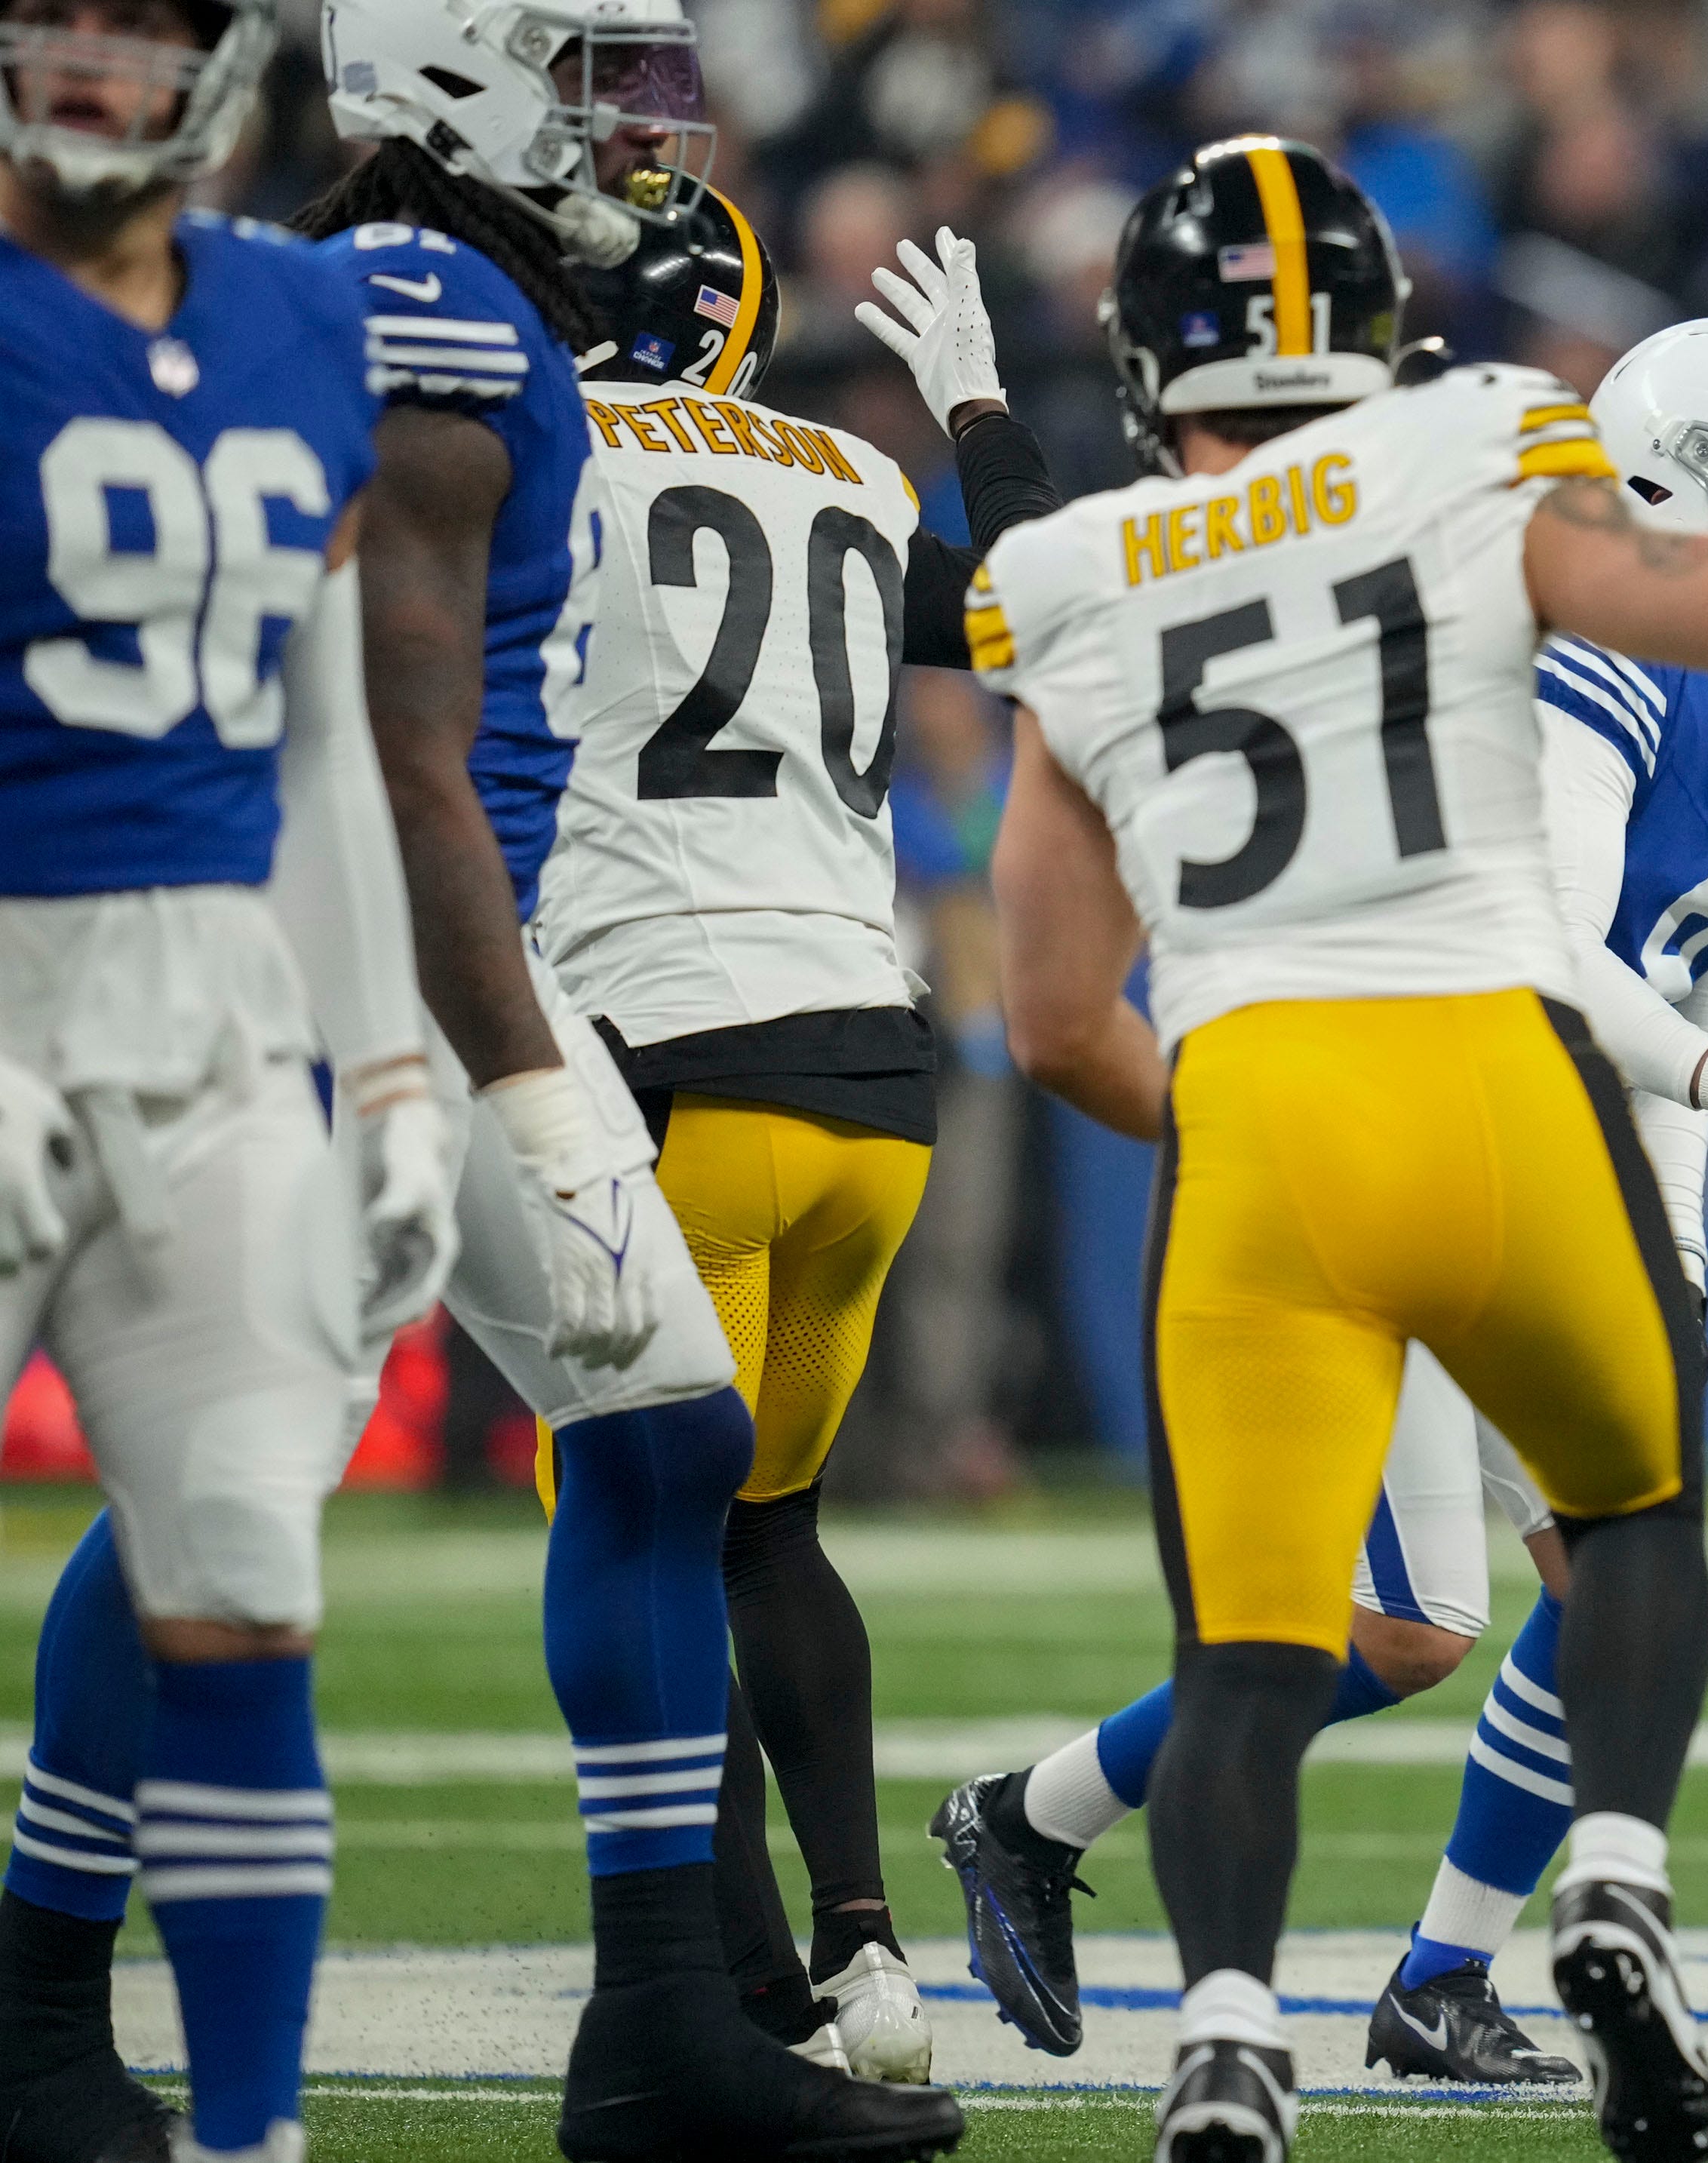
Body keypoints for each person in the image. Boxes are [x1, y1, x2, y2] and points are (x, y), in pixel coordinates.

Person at [966, 132, 1708, 2162]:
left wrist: (1241, 1106)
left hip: (1286, 1108)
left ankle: (1288, 2012)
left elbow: (1057, 1013)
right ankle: (1571, 1884)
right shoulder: (1485, 462)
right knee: (1567, 1557)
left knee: (1312, 1627)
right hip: (1515, 1089)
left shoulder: (1065, 579)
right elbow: (1557, 916)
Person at [5, 8, 966, 2159]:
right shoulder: (425, 311)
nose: (647, 124)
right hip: (347, 965)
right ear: (452, 79)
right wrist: (525, 1078)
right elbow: (412, 752)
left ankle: (659, 2030)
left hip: (408, 952)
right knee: (238, 1477)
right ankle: (46, 2008)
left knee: (658, 1431)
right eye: (594, 74)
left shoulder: (413, 300)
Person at [0, 4, 456, 2158]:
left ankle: (249, 2138)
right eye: (49, 22)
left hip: (206, 1003)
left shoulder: (296, 310)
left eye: (132, 26)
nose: (87, 64)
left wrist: (389, 1065)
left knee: (248, 1569)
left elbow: (311, 737)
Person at [542, 188, 1059, 2081]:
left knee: (634, 1545)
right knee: (772, 1533)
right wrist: (981, 409)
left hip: (669, 1061)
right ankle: (865, 1959)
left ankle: (744, 2007)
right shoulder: (846, 465)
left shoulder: (532, 452)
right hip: (873, 1085)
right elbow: (1038, 619)